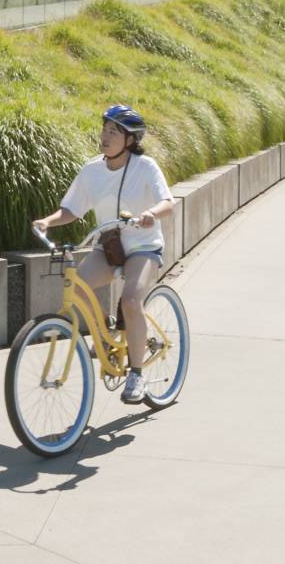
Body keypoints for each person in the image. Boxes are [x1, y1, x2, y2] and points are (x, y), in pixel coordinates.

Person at [30, 104, 177, 404]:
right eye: (104, 129)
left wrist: (150, 213)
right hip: (108, 245)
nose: (105, 136)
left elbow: (168, 202)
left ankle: (136, 374)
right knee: (78, 287)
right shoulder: (92, 170)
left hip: (143, 246)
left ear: (131, 140)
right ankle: (106, 335)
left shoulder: (145, 167)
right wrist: (48, 221)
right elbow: (72, 209)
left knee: (132, 300)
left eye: (114, 132)